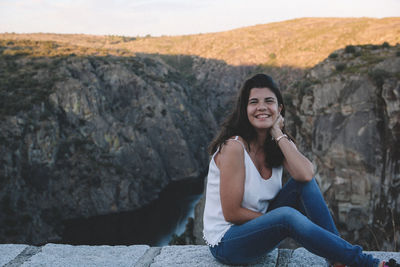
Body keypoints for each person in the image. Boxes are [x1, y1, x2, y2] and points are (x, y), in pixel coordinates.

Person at [202, 73, 399, 267]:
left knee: (302, 185)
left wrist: (278, 133)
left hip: (256, 234)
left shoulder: (277, 143)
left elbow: (306, 175)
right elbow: (231, 213)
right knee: (286, 215)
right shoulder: (234, 148)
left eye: (269, 101)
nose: (261, 107)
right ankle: (366, 263)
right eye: (253, 102)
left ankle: (338, 260)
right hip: (227, 244)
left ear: (279, 108)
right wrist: (278, 221)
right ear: (244, 109)